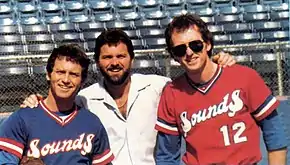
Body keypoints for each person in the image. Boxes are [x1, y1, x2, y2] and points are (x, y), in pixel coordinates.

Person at [20, 29, 236, 165]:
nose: (115, 62)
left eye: (121, 56)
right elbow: (55, 108)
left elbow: (194, 82)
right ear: (98, 62)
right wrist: (35, 100)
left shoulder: (157, 86)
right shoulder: (84, 99)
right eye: (107, 57)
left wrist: (217, 61)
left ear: (131, 58)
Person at [154, 13, 287, 165]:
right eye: (180, 50)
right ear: (174, 56)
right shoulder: (172, 93)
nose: (189, 53)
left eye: (195, 45)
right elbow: (166, 156)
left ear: (208, 44)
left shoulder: (244, 77)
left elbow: (274, 133)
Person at [0, 44, 114, 165]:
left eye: (74, 74)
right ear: (48, 75)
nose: (65, 80)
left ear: (82, 81)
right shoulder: (21, 119)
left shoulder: (92, 123)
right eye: (60, 72)